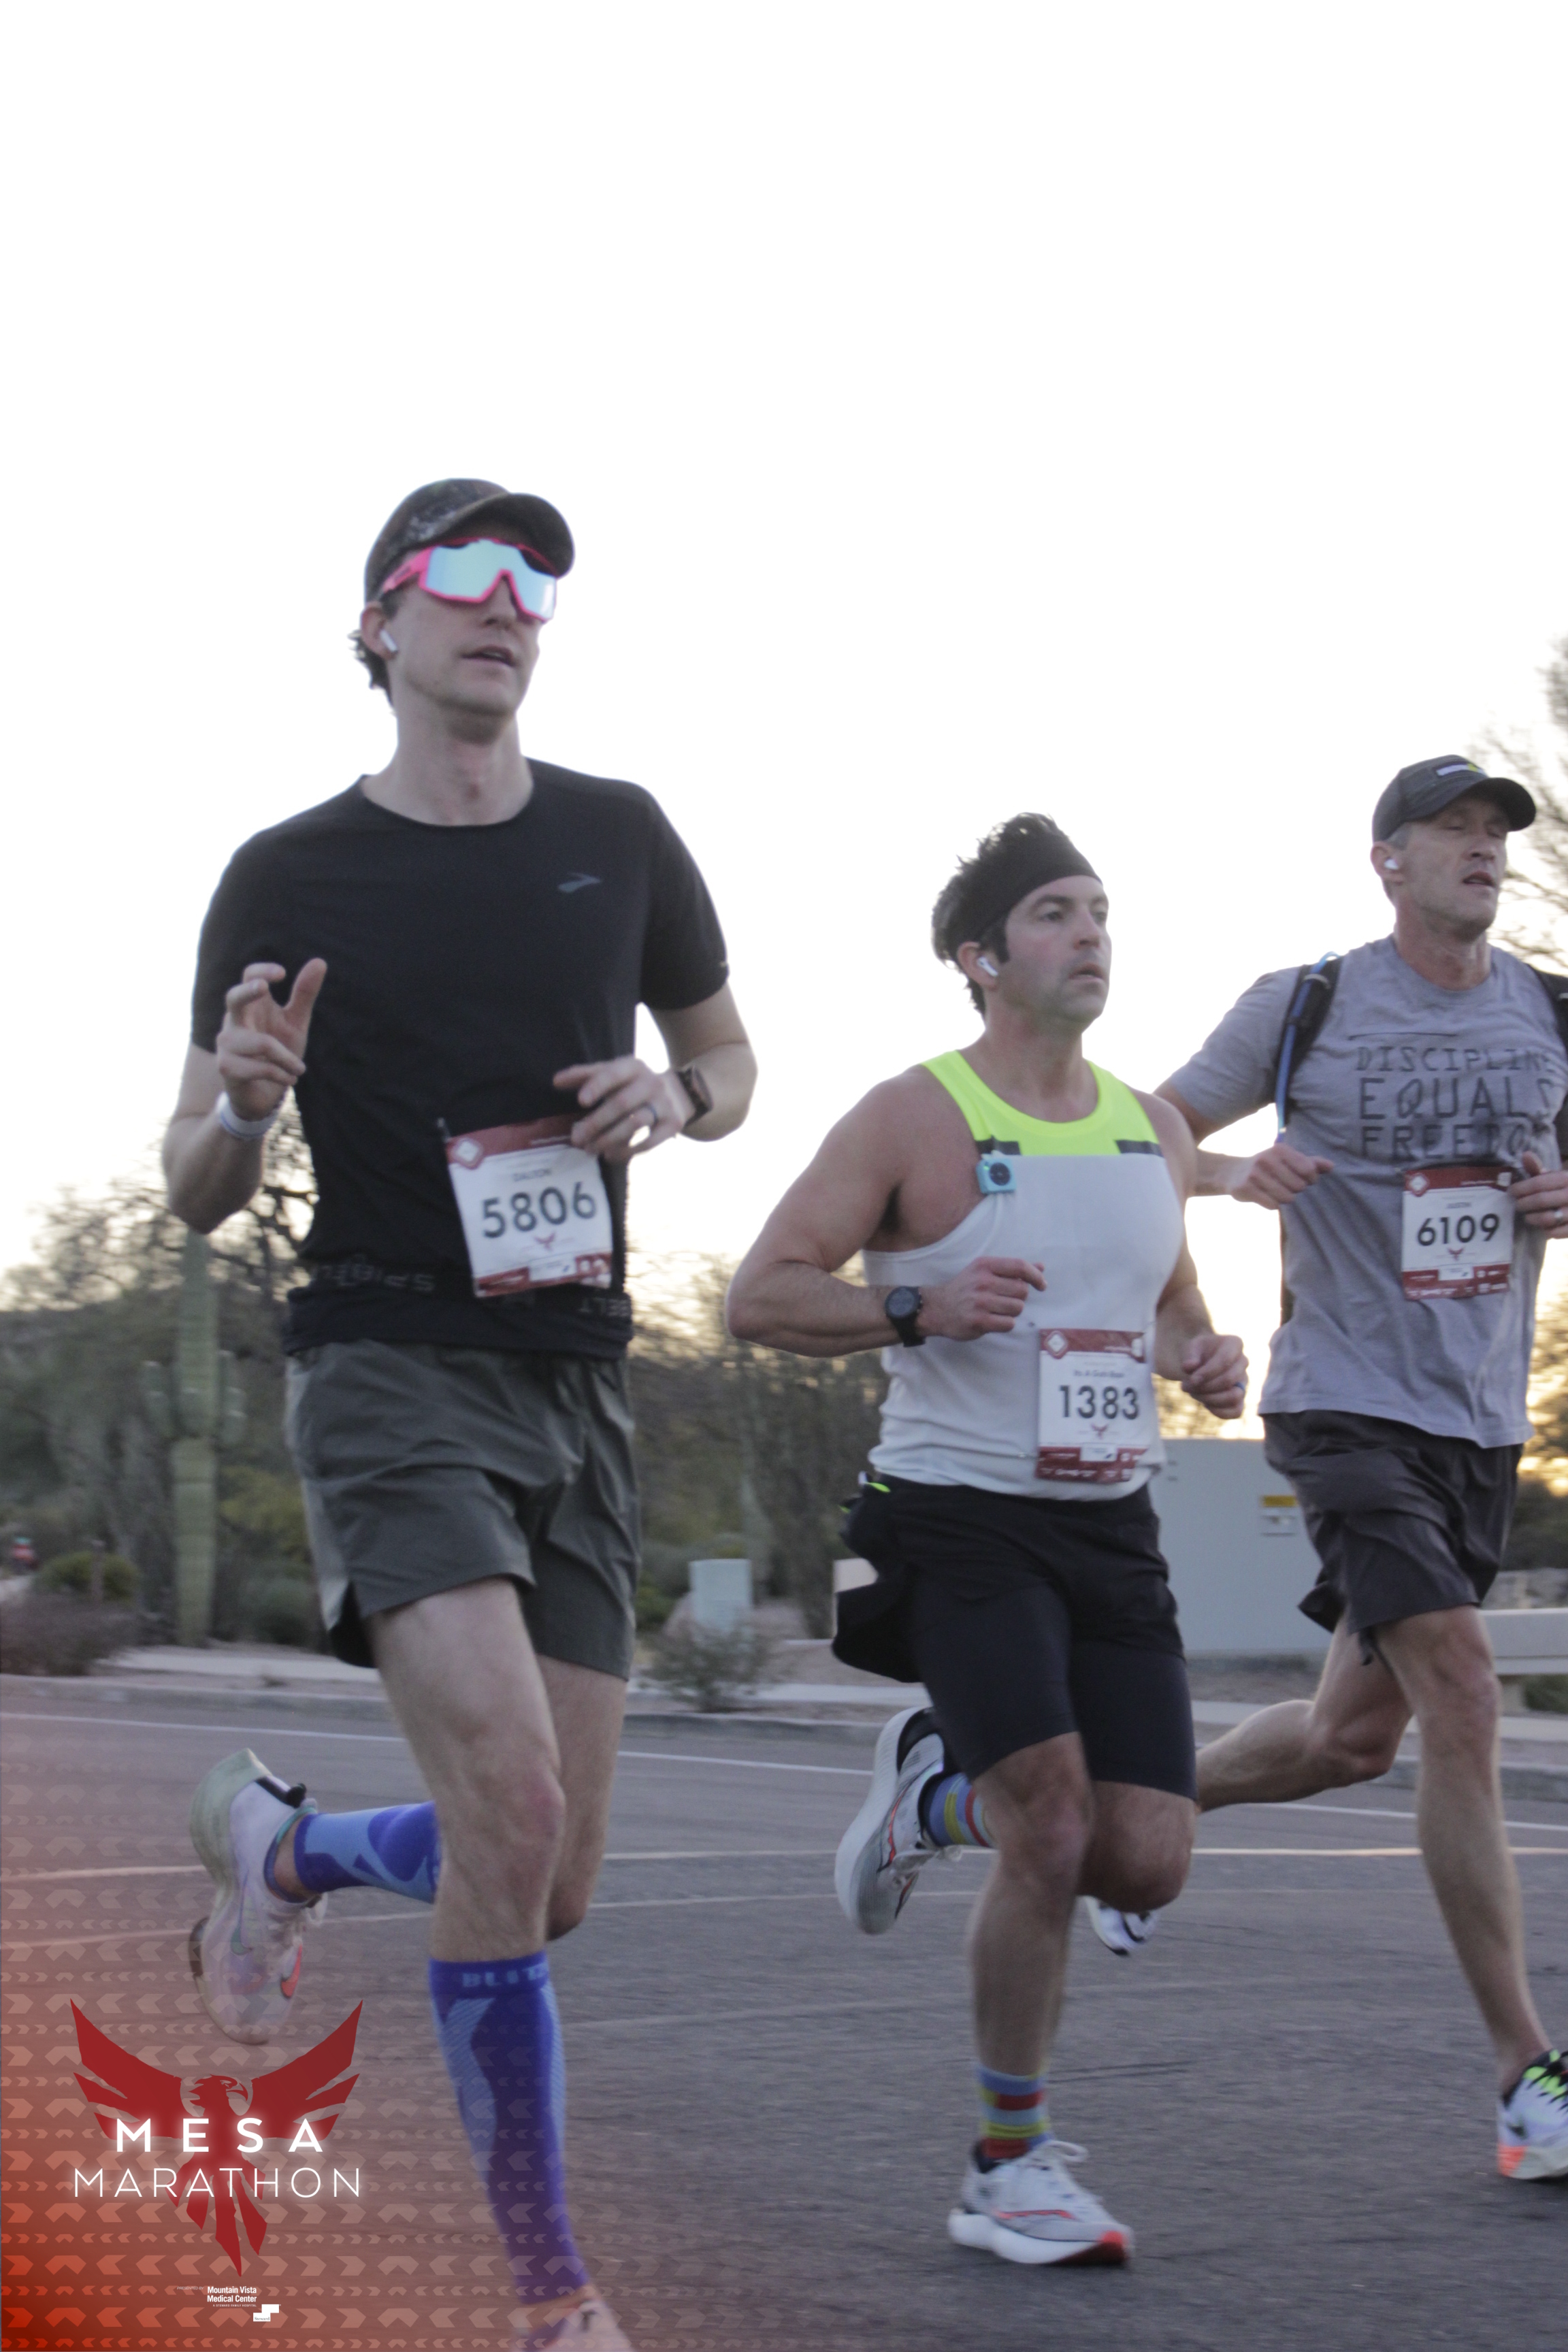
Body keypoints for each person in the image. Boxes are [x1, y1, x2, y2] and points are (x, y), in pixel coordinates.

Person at [164, 478, 755, 2350]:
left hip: (577, 1373)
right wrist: (245, 1103)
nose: (511, 603)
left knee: (544, 1876)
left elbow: (731, 1059)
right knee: (511, 1803)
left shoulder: (620, 834)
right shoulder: (286, 874)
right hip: (387, 1360)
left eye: (537, 582)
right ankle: (548, 2299)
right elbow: (191, 1180)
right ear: (381, 625)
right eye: (470, 573)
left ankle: (287, 1854)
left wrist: (677, 1099)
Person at [726, 813, 1247, 2268]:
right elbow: (760, 1294)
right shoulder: (914, 1115)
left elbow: (1172, 1310)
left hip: (1110, 1523)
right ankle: (1006, 2166)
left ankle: (932, 1795)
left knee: (1145, 1860)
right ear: (980, 958)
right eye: (1055, 914)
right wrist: (914, 1305)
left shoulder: (1154, 1129)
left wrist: (1204, 1362)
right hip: (951, 1516)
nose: (1090, 935)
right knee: (1056, 1829)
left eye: (1100, 911)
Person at [1156, 754, 1568, 2185]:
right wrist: (1228, 1176)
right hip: (1342, 1402)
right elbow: (1147, 1127)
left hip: (1480, 1422)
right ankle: (1526, 2078)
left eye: (1493, 831)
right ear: (1387, 859)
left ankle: (1146, 1809)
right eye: (1452, 829)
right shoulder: (1306, 1004)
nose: (1481, 848)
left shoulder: (1550, 1011)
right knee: (1465, 1689)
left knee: (1351, 1741)